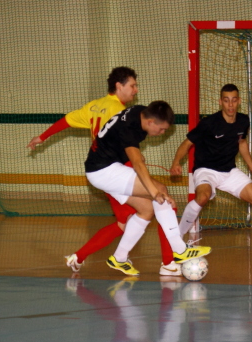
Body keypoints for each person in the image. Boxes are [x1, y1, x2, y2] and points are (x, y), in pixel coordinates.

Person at [28, 67, 180, 277]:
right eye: (133, 85)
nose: (136, 90)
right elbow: (126, 147)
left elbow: (67, 121)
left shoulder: (94, 106)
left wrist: (42, 137)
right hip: (113, 171)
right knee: (154, 200)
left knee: (132, 218)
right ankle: (169, 260)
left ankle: (79, 257)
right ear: (119, 86)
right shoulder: (121, 112)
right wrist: (138, 170)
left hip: (106, 169)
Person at [86, 101, 211, 275]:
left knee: (146, 210)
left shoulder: (139, 112)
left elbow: (126, 148)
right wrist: (154, 193)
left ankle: (119, 257)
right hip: (103, 171)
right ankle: (179, 250)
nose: (162, 133)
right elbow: (137, 164)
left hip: (106, 167)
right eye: (161, 129)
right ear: (151, 122)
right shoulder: (130, 128)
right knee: (160, 189)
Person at [170, 84, 252, 259]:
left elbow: (241, 142)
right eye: (226, 100)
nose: (230, 105)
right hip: (206, 170)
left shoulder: (243, 121)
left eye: (234, 100)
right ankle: (176, 243)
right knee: (203, 197)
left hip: (229, 171)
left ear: (239, 101)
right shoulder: (209, 123)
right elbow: (187, 142)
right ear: (220, 102)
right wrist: (176, 162)